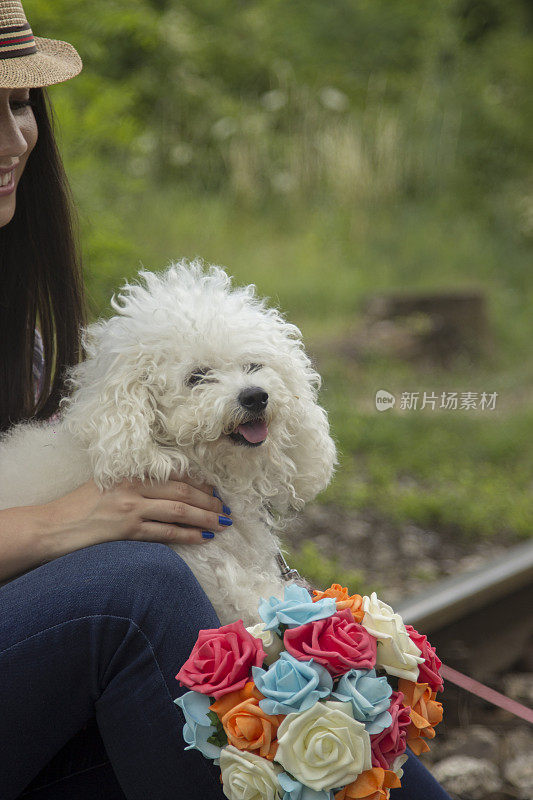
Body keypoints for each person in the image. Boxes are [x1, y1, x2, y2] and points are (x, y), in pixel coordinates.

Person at [0, 3, 451, 798]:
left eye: (17, 103)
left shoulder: (21, 309)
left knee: (313, 690)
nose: (13, 142)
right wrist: (53, 525)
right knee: (137, 590)